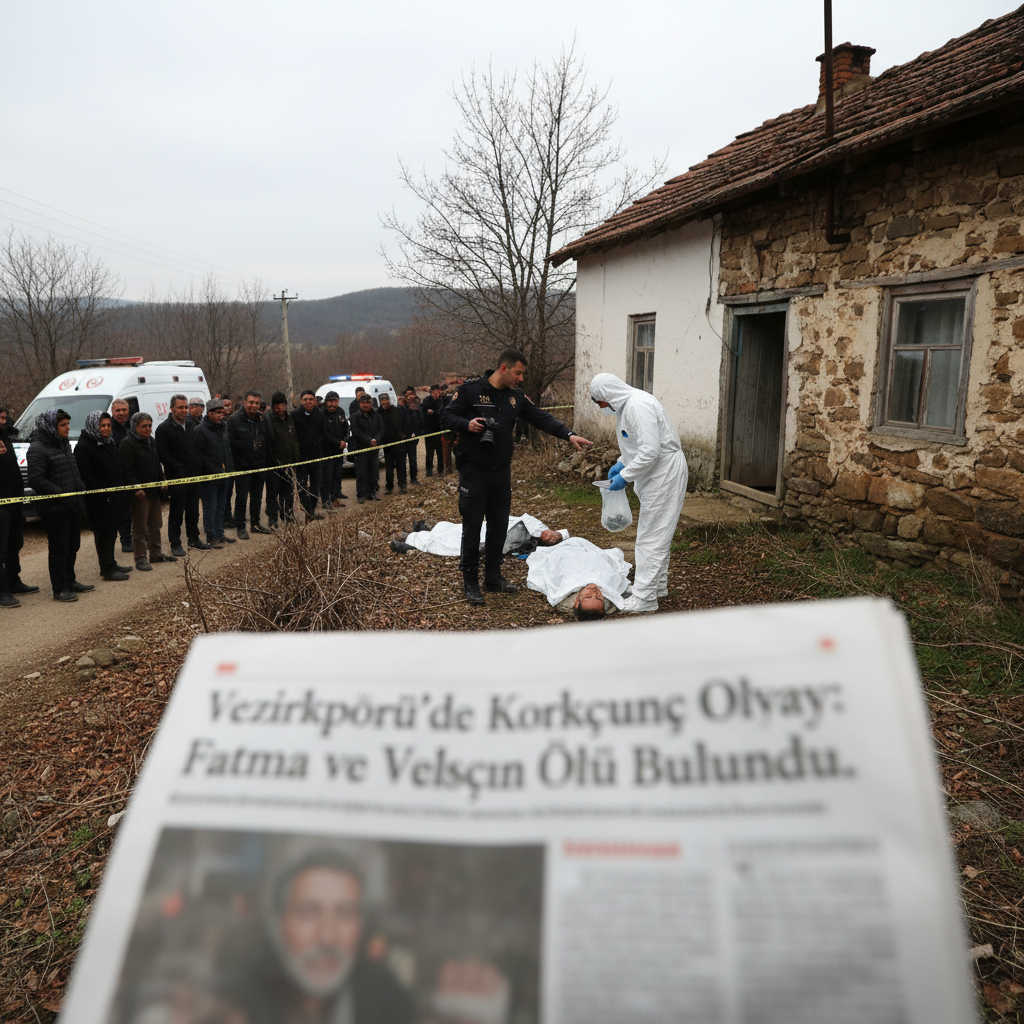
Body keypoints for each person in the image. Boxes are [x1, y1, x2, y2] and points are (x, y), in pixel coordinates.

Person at [219, 849, 508, 1024]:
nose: (327, 936)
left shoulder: (390, 1002)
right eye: (308, 912)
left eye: (345, 914)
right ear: (279, 924)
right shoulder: (235, 1004)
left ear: (362, 927)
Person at [441, 349, 592, 606]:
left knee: (499, 525)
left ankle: (493, 576)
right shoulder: (470, 391)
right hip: (474, 470)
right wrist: (467, 424)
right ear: (503, 368)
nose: (521, 378)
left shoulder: (515, 397)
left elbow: (541, 418)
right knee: (472, 526)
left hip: (501, 471)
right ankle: (470, 582)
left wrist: (568, 435)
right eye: (518, 373)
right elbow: (446, 415)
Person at [590, 372, 689, 613]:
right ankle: (656, 587)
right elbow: (637, 445)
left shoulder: (638, 405)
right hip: (656, 474)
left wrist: (624, 475)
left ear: (607, 394)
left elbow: (650, 451)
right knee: (657, 533)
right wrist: (623, 461)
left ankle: (645, 598)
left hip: (663, 473)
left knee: (650, 538)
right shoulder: (627, 407)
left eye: (599, 401)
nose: (601, 407)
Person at [26, 409, 93, 602]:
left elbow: (73, 471)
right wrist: (59, 492)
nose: (67, 428)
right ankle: (60, 588)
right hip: (54, 509)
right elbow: (36, 479)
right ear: (51, 427)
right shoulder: (37, 448)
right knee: (59, 549)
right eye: (63, 425)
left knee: (73, 546)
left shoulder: (64, 444)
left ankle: (70, 581)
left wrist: (79, 488)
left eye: (68, 424)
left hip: (71, 505)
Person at [75, 411, 131, 581]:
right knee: (103, 534)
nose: (106, 429)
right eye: (102, 426)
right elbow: (85, 475)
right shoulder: (84, 447)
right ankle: (106, 569)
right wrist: (102, 491)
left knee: (112, 532)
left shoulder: (109, 442)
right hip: (98, 500)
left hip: (113, 497)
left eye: (108, 425)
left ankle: (112, 563)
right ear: (94, 426)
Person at [525, 535, 633, 618]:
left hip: (570, 566)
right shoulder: (610, 596)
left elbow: (556, 577)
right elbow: (616, 581)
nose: (594, 592)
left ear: (576, 601)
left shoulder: (566, 596)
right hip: (593, 567)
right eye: (599, 597)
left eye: (588, 596)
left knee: (564, 556)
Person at [119, 412, 174, 572]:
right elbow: (126, 469)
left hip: (154, 491)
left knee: (155, 524)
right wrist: (136, 488)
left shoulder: (151, 441)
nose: (148, 429)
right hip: (140, 494)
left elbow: (157, 464)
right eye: (144, 426)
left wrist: (162, 480)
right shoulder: (127, 444)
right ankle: (140, 558)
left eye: (149, 426)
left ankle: (156, 553)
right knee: (140, 527)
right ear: (135, 427)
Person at [156, 394, 206, 555]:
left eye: (186, 407)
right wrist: (179, 468)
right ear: (172, 409)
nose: (184, 410)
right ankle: (175, 543)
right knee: (177, 512)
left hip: (194, 476)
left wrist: (197, 466)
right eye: (180, 407)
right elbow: (163, 455)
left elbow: (198, 447)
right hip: (177, 478)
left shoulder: (191, 425)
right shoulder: (164, 429)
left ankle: (193, 538)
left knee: (193, 510)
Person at [0, 406, 38, 606]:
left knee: (15, 543)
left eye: (4, 414)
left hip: (14, 499)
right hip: (1, 503)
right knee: (1, 549)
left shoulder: (5, 436)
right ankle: (2, 591)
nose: (3, 416)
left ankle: (14, 581)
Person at [390, 514, 565, 557]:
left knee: (452, 542)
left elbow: (506, 545)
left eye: (550, 538)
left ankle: (411, 541)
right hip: (488, 526)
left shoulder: (529, 542)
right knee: (453, 529)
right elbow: (520, 519)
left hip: (488, 537)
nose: (549, 534)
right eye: (552, 533)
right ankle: (423, 531)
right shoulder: (534, 524)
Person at [228, 390, 269, 538]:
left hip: (259, 464)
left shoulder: (262, 419)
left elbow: (268, 439)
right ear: (244, 403)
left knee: (257, 497)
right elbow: (230, 443)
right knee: (242, 497)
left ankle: (255, 523)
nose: (253, 405)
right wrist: (249, 444)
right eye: (251, 402)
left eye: (257, 403)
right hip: (242, 465)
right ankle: (240, 526)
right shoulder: (234, 420)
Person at [194, 398, 235, 548]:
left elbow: (228, 450)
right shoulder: (200, 430)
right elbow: (199, 456)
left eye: (222, 413)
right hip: (210, 476)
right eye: (218, 413)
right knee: (210, 507)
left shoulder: (223, 427)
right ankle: (212, 536)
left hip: (225, 474)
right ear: (209, 413)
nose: (221, 416)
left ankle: (220, 532)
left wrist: (229, 468)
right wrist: (212, 470)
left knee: (221, 506)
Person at [263, 391, 300, 527]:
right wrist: (273, 460)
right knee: (273, 493)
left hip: (289, 463)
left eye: (282, 405)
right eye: (277, 406)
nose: (280, 409)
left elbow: (294, 439)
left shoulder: (289, 419)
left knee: (288, 492)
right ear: (273, 406)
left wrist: (296, 457)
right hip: (274, 464)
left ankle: (287, 515)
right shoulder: (268, 419)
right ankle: (272, 518)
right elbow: (267, 442)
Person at [292, 389, 327, 522]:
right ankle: (306, 510)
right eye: (305, 399)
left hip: (317, 457)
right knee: (301, 487)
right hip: (301, 458)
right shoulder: (295, 415)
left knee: (315, 486)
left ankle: (311, 511)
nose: (308, 402)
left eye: (310, 399)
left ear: (315, 401)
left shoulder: (320, 415)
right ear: (301, 401)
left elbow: (324, 433)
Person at [349, 393, 383, 504]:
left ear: (371, 403)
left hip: (374, 450)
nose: (365, 405)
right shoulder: (355, 417)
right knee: (361, 473)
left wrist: (376, 440)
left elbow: (382, 429)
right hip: (361, 449)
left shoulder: (377, 415)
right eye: (363, 403)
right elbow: (356, 432)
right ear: (359, 403)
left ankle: (372, 493)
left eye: (367, 403)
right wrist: (369, 440)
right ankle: (361, 495)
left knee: (373, 473)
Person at [109, 398, 133, 552]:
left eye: (124, 410)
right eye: (118, 410)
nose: (121, 413)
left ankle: (135, 536)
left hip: (132, 473)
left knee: (133, 509)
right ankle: (126, 540)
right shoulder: (109, 429)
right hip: (118, 476)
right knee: (122, 512)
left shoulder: (132, 426)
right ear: (113, 412)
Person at [320, 390, 349, 510]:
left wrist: (345, 440)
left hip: (339, 449)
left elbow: (346, 427)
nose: (332, 404)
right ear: (326, 402)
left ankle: (335, 498)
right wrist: (338, 442)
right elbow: (324, 433)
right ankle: (325, 501)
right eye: (330, 401)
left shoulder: (340, 411)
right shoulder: (321, 414)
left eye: (335, 401)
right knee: (327, 477)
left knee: (337, 475)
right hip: (327, 450)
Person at [378, 393, 407, 494]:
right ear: (380, 402)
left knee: (401, 465)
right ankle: (389, 486)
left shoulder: (396, 410)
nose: (385, 402)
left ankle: (402, 485)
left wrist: (404, 435)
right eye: (383, 400)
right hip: (387, 444)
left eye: (387, 400)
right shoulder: (378, 413)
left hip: (399, 442)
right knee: (389, 467)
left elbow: (403, 423)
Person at [420, 384, 446, 477]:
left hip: (440, 429)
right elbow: (422, 412)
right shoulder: (427, 401)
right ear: (431, 393)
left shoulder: (442, 401)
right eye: (433, 392)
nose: (435, 394)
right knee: (429, 452)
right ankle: (429, 470)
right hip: (429, 430)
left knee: (440, 452)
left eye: (437, 392)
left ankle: (441, 470)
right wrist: (427, 412)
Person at [401, 391, 423, 486]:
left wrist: (416, 433)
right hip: (402, 439)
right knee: (402, 461)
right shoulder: (401, 409)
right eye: (408, 397)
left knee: (413, 460)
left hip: (413, 439)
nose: (410, 399)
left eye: (412, 398)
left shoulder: (416, 409)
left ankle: (413, 478)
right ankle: (402, 482)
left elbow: (419, 422)